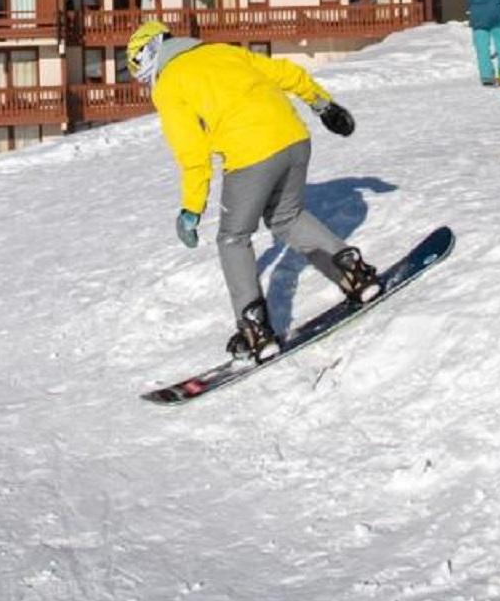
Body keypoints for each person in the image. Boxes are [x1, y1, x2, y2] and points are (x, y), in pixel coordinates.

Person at [128, 18, 376, 363]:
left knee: (233, 238)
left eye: (141, 72)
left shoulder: (169, 84)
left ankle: (254, 328)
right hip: (294, 138)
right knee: (286, 218)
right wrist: (323, 105)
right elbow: (287, 73)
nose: (145, 81)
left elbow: (193, 154)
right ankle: (353, 271)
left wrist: (191, 210)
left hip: (251, 154)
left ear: (150, 56)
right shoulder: (223, 51)